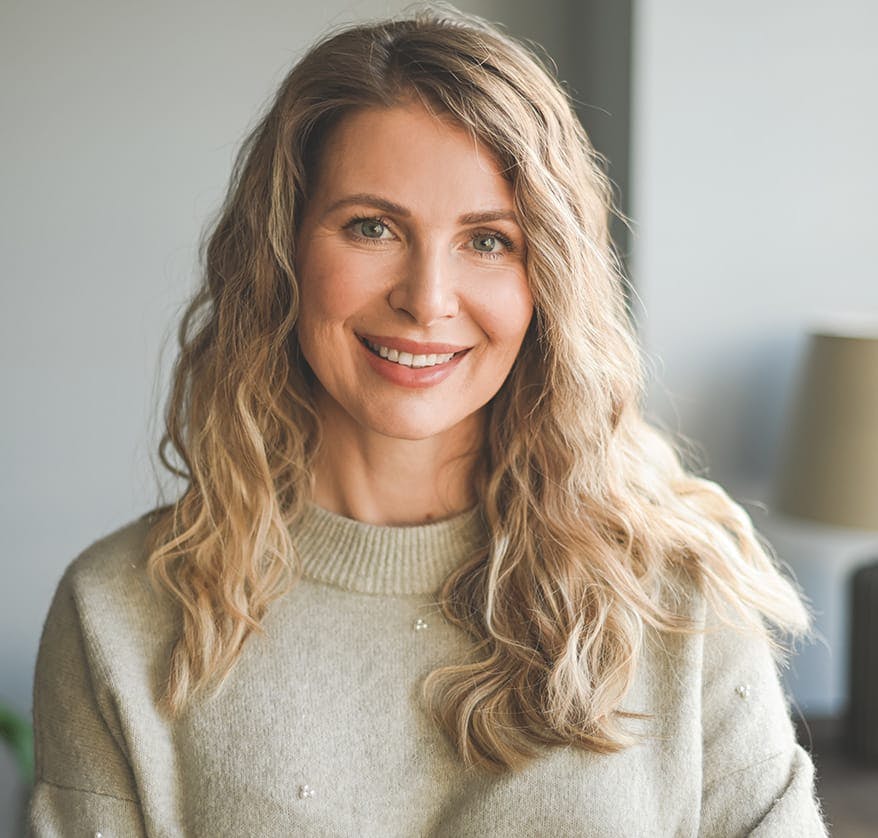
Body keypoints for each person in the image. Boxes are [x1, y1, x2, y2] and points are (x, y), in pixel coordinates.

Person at [28, 6, 829, 836]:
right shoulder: (120, 614)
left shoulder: (680, 597)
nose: (427, 299)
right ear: (283, 253)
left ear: (546, 280)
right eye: (372, 227)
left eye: (488, 241)